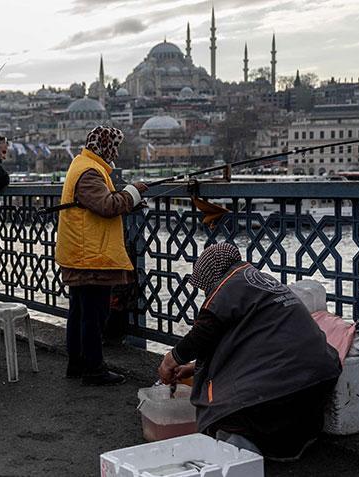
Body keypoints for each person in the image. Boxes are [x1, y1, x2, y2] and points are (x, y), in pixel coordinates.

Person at [157, 242, 342, 461]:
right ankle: (292, 443)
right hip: (319, 374)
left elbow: (202, 335)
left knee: (223, 411)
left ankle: (242, 451)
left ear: (212, 276)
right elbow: (249, 343)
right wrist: (193, 368)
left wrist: (170, 361)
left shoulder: (227, 288)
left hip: (284, 383)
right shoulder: (260, 280)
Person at [55, 126, 147, 386]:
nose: (115, 152)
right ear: (103, 147)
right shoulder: (89, 172)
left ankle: (77, 364)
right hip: (90, 255)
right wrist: (133, 192)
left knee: (81, 312)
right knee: (93, 315)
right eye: (113, 147)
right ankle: (93, 369)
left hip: (83, 252)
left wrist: (128, 199)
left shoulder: (82, 164)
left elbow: (96, 204)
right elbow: (107, 206)